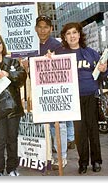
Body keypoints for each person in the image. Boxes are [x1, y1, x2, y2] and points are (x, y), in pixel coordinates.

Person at [59, 22, 108, 174]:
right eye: (68, 33)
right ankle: (82, 163)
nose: (72, 36)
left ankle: (96, 161)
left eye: (74, 32)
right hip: (73, 98)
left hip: (91, 95)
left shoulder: (91, 53)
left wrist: (104, 69)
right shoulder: (61, 54)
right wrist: (49, 58)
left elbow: (105, 73)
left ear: (79, 35)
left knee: (93, 129)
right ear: (65, 37)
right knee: (79, 132)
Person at [34, 15, 74, 170]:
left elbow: (65, 69)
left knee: (59, 124)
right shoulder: (32, 46)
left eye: (46, 27)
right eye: (40, 26)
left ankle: (61, 157)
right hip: (40, 92)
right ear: (36, 28)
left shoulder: (58, 46)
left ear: (51, 28)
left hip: (56, 91)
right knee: (47, 126)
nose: (42, 30)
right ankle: (49, 155)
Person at [0, 34, 27, 176]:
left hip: (13, 108)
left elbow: (21, 78)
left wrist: (8, 74)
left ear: (3, 45)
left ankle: (12, 168)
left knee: (12, 140)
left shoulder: (13, 62)